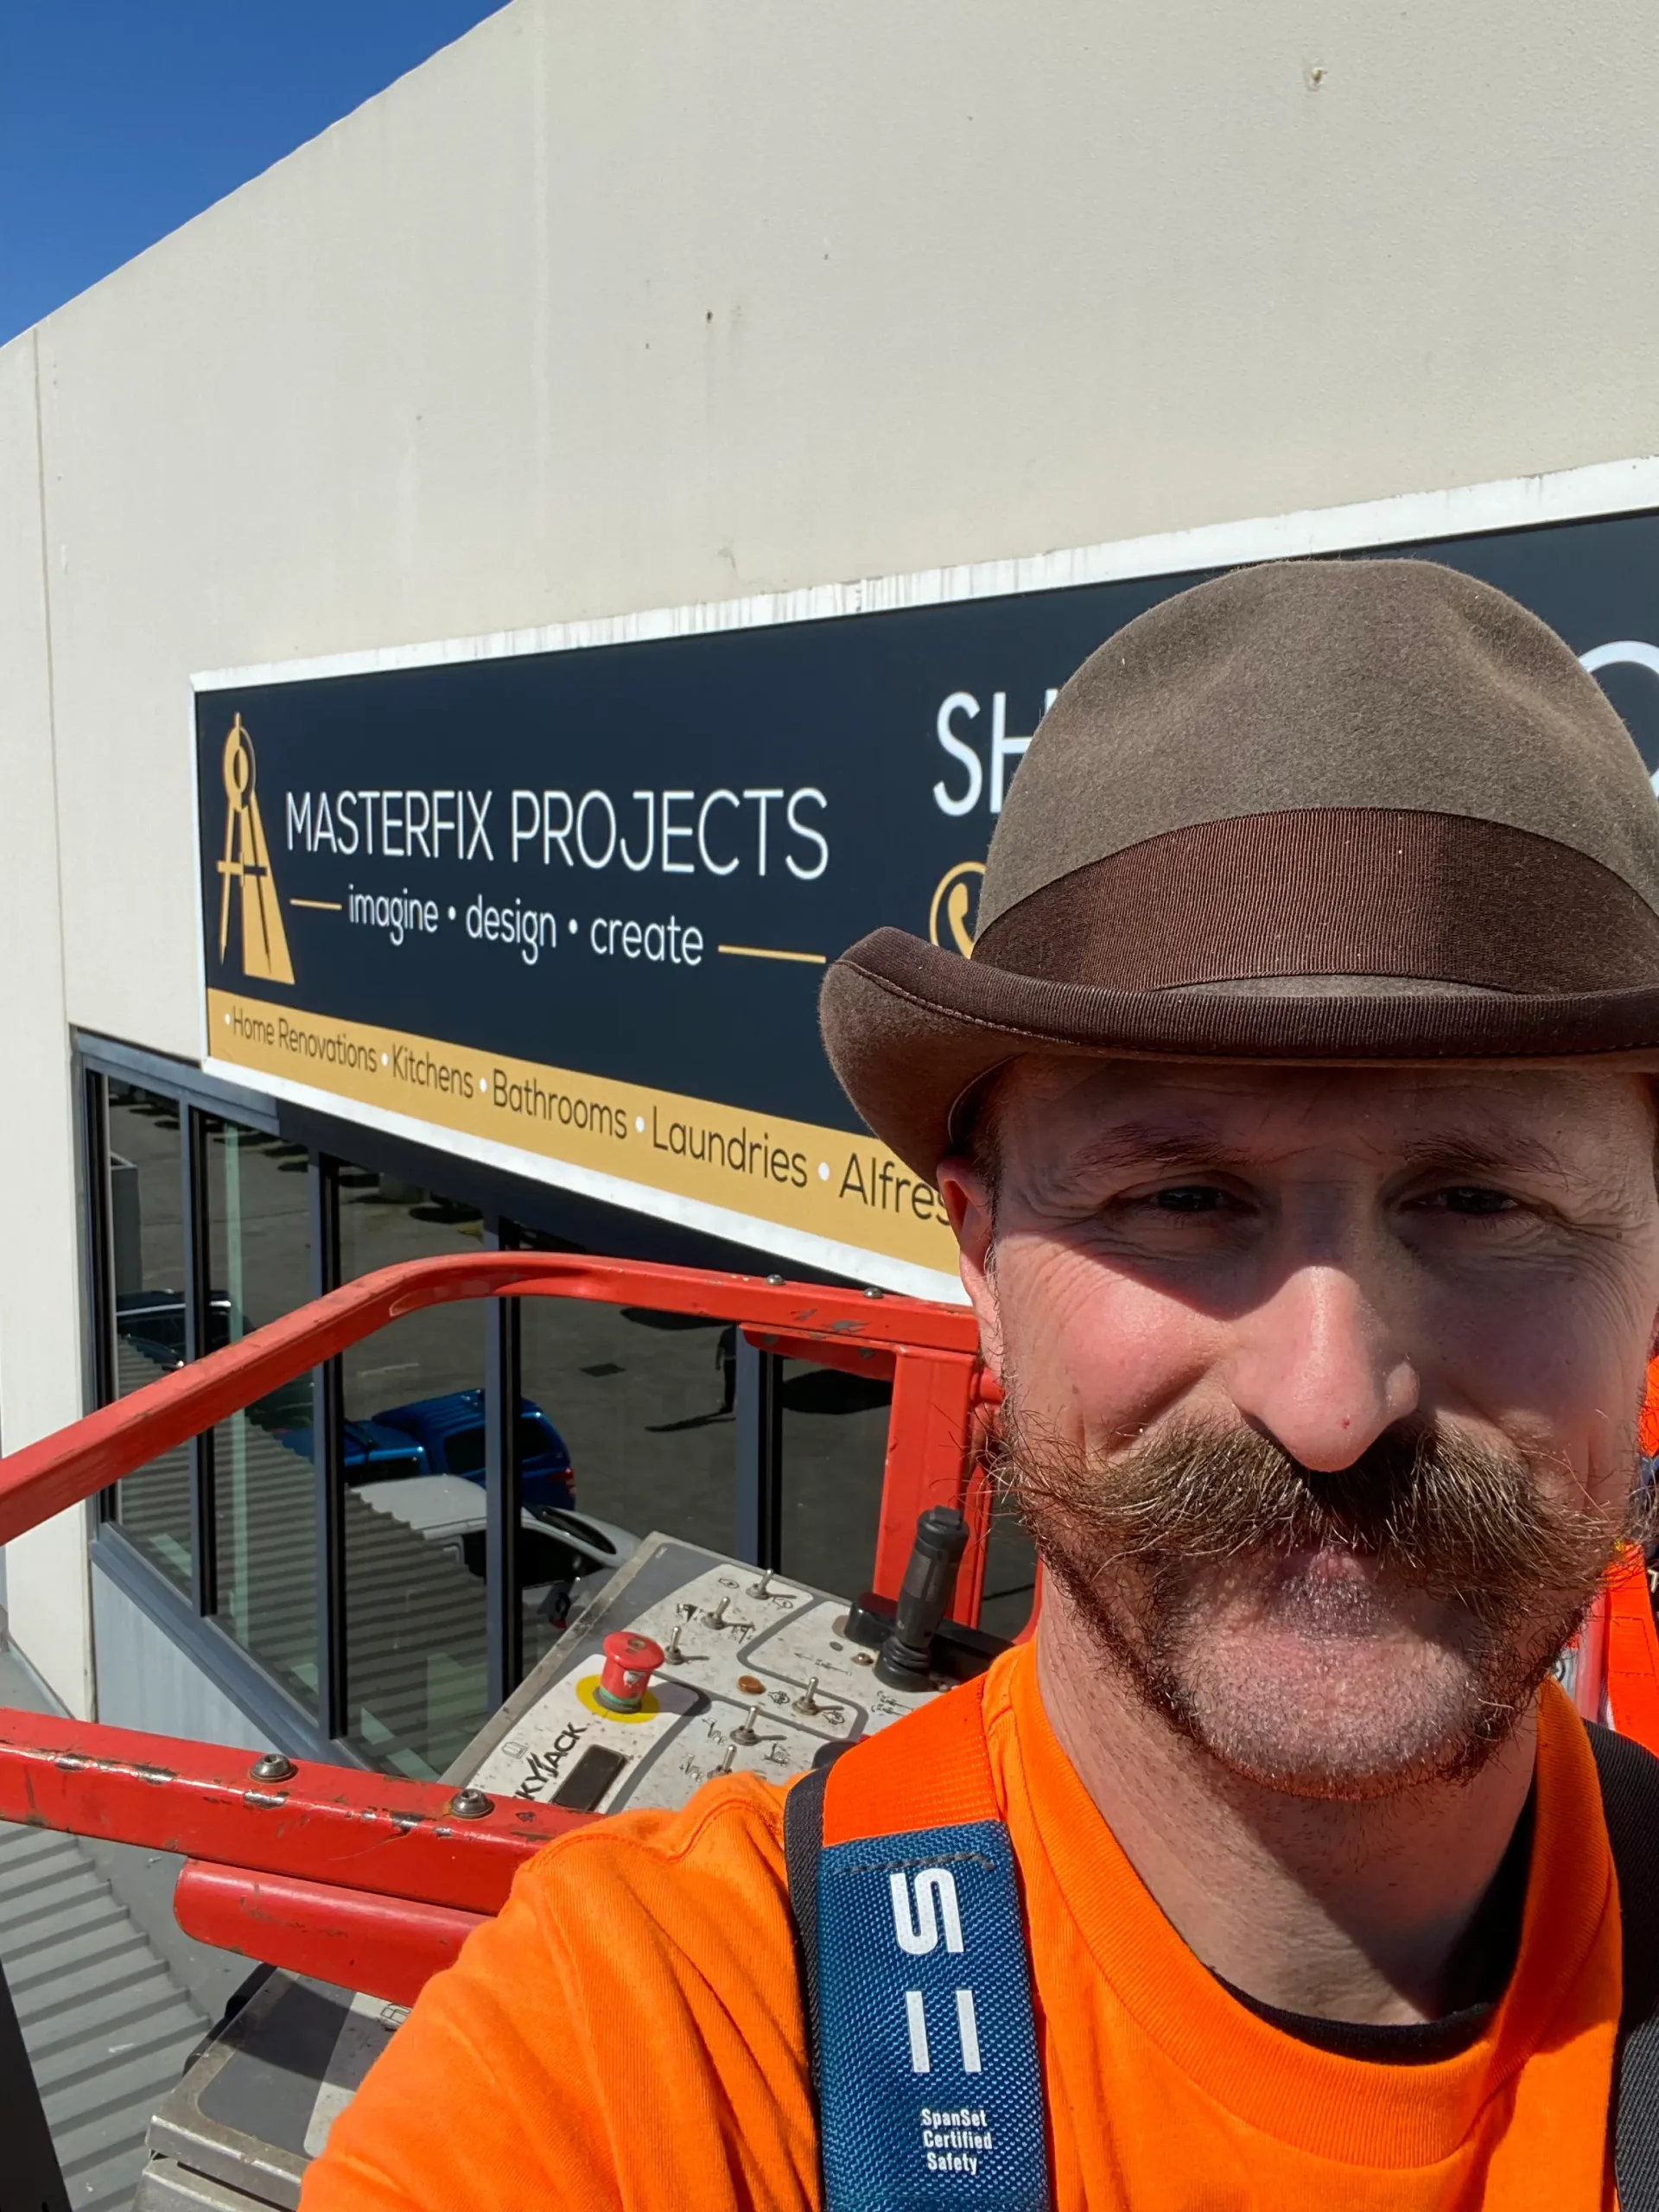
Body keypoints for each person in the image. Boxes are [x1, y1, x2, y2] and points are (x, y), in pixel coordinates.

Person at [302, 558, 1659, 2210]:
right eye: (1182, 1197)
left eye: (1482, 1202)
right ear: (979, 1260)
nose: (1330, 1402)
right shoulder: (653, 2045)